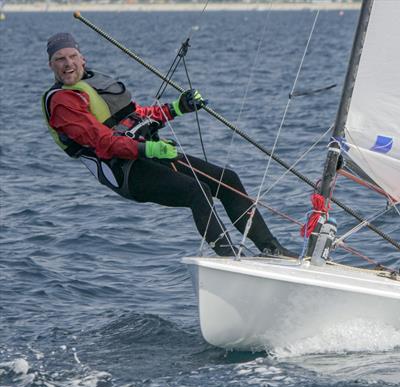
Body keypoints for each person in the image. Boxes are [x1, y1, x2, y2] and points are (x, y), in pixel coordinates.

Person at [43, 32, 292, 257]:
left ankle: (272, 248)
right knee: (197, 190)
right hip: (124, 172)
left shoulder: (96, 83)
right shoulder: (62, 102)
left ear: (82, 58)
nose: (68, 64)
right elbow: (103, 142)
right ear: (51, 66)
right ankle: (229, 257)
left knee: (227, 179)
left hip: (148, 155)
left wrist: (177, 107)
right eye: (60, 60)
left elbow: (137, 114)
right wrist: (149, 148)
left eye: (72, 56)